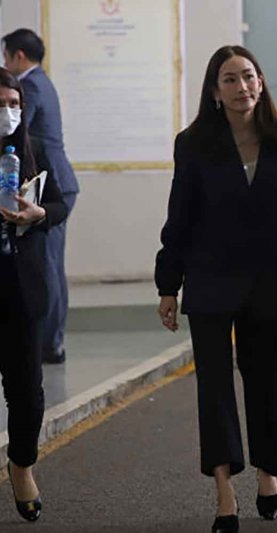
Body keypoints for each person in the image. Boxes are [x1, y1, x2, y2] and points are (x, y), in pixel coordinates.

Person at [154, 45, 277, 533]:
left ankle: (269, 475)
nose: (242, 86)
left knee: (270, 382)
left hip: (268, 277)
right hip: (210, 277)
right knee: (214, 387)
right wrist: (168, 285)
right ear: (215, 91)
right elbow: (180, 216)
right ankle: (224, 491)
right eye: (229, 79)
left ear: (261, 82)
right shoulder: (193, 144)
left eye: (248, 76)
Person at [0, 66, 67, 522]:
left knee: (27, 392)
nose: (8, 112)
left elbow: (59, 203)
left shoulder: (34, 149)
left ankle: (21, 465)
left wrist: (38, 213)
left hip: (22, 287)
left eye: (14, 105)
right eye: (0, 104)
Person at [2, 28, 79, 365]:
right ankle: (52, 340)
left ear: (18, 55)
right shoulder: (43, 81)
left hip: (47, 182)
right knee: (51, 263)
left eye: (6, 57)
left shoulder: (30, 85)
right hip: (57, 178)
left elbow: (20, 135)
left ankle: (48, 341)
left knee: (45, 263)